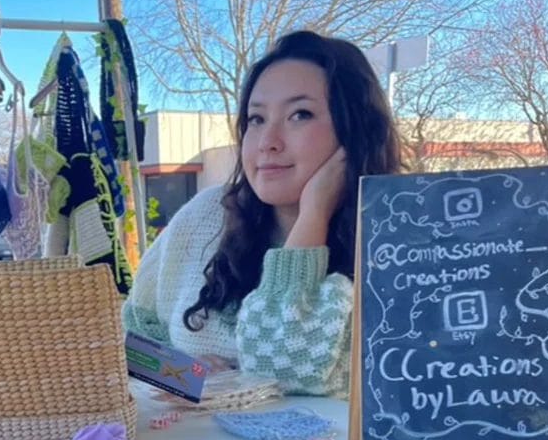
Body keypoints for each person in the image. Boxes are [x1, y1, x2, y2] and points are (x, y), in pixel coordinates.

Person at [123, 30, 401, 394]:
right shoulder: (204, 217)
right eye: (256, 119)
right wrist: (188, 375)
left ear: (354, 132)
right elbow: (128, 348)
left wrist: (313, 214)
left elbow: (289, 371)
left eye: (300, 115)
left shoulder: (399, 239)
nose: (268, 141)